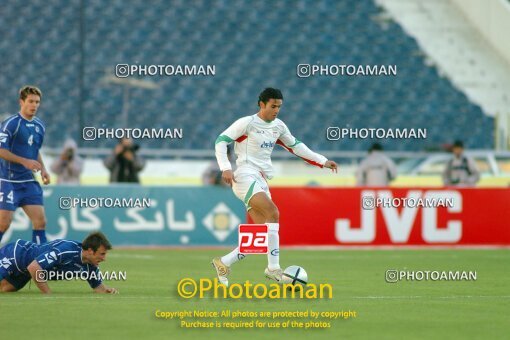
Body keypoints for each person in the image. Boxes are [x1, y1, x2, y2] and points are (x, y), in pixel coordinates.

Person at [211, 87, 338, 286]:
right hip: (244, 174)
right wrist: (225, 167)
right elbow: (221, 141)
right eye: (273, 106)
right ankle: (273, 269)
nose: (276, 110)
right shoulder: (247, 123)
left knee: (261, 236)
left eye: (279, 106)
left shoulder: (278, 126)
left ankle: (223, 263)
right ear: (261, 104)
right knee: (273, 212)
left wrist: (322, 161)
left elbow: (296, 146)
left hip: (261, 178)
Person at [0, 86, 50, 244]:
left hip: (28, 181)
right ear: (21, 102)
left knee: (40, 222)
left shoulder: (39, 126)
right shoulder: (11, 124)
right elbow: (1, 151)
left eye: (37, 102)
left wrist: (43, 169)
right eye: (30, 101)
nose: (34, 105)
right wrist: (24, 161)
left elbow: (35, 150)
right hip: (8, 181)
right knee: (4, 223)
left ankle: (39, 261)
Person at [0, 231, 118, 294]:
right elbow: (34, 267)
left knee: (4, 289)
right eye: (102, 254)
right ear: (91, 251)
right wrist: (48, 294)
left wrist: (107, 291)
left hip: (25, 272)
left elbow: (98, 287)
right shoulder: (66, 251)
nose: (104, 258)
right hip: (16, 254)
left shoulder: (90, 266)